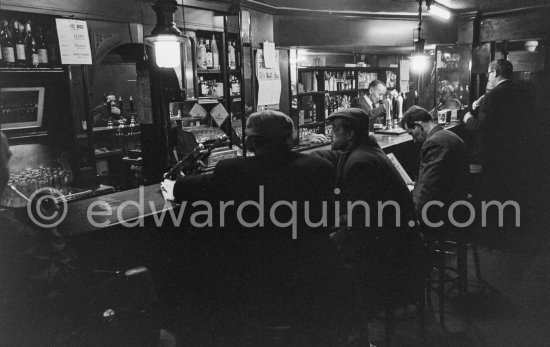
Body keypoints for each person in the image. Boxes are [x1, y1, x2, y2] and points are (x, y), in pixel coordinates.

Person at [161, 110, 356, 343]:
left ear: (251, 141)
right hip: (315, 277)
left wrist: (171, 185)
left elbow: (185, 188)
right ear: (289, 138)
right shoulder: (319, 167)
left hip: (257, 282)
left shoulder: (232, 170)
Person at [311, 108, 416, 257]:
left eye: (335, 129)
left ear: (350, 134)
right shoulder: (364, 150)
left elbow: (361, 223)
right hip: (393, 236)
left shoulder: (360, 163)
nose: (330, 134)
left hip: (391, 249)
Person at [400, 106, 469, 224]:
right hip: (457, 203)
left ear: (418, 125)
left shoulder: (434, 143)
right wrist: (418, 184)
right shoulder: (449, 136)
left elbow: (428, 189)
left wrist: (413, 215)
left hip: (441, 211)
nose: (414, 140)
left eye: (412, 134)